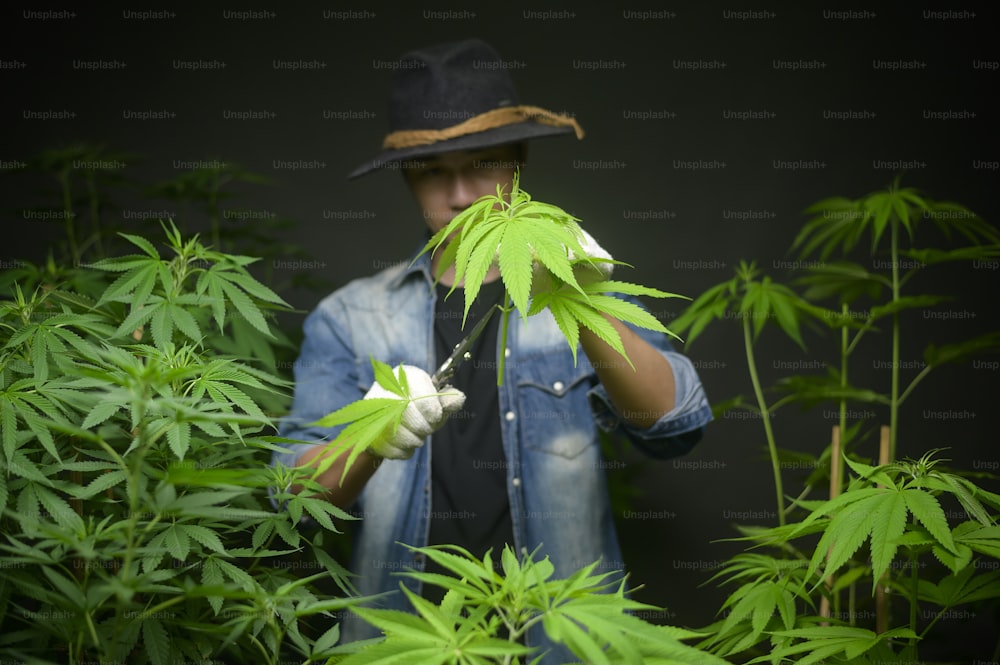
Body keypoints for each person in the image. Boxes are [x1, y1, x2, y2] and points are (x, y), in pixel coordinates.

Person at [271, 37, 713, 661]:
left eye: (482, 164)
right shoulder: (349, 317)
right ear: (406, 176)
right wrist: (368, 434)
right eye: (433, 171)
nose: (459, 196)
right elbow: (291, 500)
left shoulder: (576, 279)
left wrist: (579, 303)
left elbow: (675, 424)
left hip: (560, 641)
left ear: (518, 160)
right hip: (407, 641)